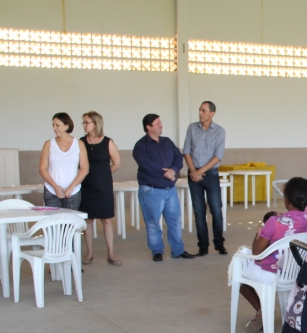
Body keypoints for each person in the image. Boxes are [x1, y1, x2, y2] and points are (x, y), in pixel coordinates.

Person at [241, 178, 307, 333]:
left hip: (272, 273)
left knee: (240, 274)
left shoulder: (274, 221)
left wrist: (261, 226)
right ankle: (268, 312)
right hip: (298, 271)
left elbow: (257, 251)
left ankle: (263, 310)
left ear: (286, 199)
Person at [133, 114, 196, 262]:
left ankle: (178, 250)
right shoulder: (141, 146)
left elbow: (178, 157)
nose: (161, 125)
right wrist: (167, 174)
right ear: (148, 127)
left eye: (160, 122)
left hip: (170, 190)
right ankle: (157, 251)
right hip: (151, 190)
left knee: (175, 221)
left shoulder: (167, 142)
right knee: (153, 223)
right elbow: (147, 166)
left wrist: (174, 170)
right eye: (157, 123)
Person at [183, 101, 227, 256]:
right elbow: (186, 151)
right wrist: (193, 171)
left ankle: (219, 244)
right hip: (193, 175)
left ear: (212, 113)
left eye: (203, 110)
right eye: (199, 110)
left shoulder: (219, 131)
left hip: (211, 174)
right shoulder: (192, 128)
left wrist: (200, 172)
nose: (200, 113)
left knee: (216, 210)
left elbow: (218, 156)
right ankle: (203, 246)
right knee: (199, 211)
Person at [79, 111, 121, 266]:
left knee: (106, 220)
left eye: (86, 122)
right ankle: (89, 253)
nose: (84, 125)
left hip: (103, 187)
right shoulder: (81, 142)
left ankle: (111, 253)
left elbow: (117, 163)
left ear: (96, 124)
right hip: (86, 186)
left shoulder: (107, 142)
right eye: (83, 122)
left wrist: (104, 173)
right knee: (88, 220)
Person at [39, 112, 89, 210]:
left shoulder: (79, 144)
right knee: (53, 219)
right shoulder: (49, 144)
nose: (54, 128)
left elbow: (85, 168)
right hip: (51, 190)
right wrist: (55, 187)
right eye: (53, 125)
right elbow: (42, 168)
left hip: (73, 191)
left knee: (71, 219)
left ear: (67, 126)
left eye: (57, 125)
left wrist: (71, 187)